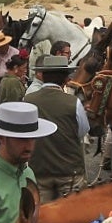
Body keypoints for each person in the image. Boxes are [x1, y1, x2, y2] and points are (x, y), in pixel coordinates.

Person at [0, 100, 55, 223]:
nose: (29, 146)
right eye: (21, 139)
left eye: (32, 139)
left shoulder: (28, 173)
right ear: (1, 137)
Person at [26, 54, 90, 202]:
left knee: (42, 218)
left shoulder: (29, 99)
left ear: (43, 76)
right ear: (65, 80)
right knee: (69, 220)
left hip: (39, 169)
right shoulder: (73, 102)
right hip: (69, 170)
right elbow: (83, 131)